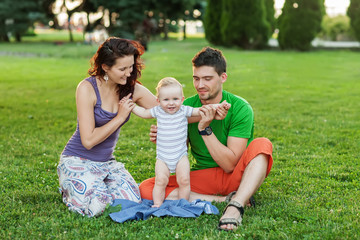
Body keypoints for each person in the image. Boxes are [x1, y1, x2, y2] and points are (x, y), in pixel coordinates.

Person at [139, 47, 273, 231]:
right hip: (203, 177)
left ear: (223, 77)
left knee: (263, 145)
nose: (200, 84)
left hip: (235, 177)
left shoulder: (241, 107)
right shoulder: (183, 106)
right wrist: (165, 137)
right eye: (196, 78)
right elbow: (181, 148)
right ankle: (224, 200)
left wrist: (204, 128)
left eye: (207, 79)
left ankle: (236, 206)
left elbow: (229, 165)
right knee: (147, 188)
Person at [57, 37, 158, 217]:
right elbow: (88, 141)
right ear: (105, 67)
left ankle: (94, 185)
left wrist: (207, 110)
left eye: (131, 67)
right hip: (77, 160)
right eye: (122, 69)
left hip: (106, 163)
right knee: (98, 206)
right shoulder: (87, 88)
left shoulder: (132, 89)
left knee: (132, 202)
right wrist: (119, 117)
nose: (129, 73)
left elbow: (168, 110)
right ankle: (72, 188)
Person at [131, 77, 230, 207]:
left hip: (180, 156)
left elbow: (202, 110)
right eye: (166, 100)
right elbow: (143, 112)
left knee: (184, 180)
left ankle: (183, 204)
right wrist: (131, 106)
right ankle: (157, 204)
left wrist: (219, 106)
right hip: (163, 157)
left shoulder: (184, 110)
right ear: (158, 101)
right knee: (160, 181)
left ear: (182, 99)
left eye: (175, 99)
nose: (171, 103)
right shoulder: (158, 111)